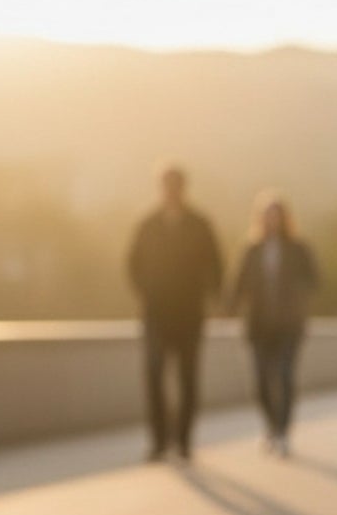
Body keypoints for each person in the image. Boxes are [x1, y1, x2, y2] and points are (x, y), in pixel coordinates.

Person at [127, 164, 224, 460]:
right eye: (166, 186)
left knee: (188, 377)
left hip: (189, 314)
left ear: (183, 188)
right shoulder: (148, 224)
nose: (170, 191)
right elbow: (132, 264)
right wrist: (146, 291)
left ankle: (183, 440)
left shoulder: (199, 224)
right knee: (154, 375)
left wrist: (214, 298)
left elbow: (216, 265)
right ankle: (159, 440)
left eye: (175, 186)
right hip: (156, 313)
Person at [229, 191, 319, 456]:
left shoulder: (298, 249)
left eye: (276, 216)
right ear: (260, 219)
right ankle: (270, 425)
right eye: (267, 216)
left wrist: (296, 296)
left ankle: (282, 431)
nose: (272, 221)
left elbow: (314, 280)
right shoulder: (251, 250)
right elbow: (237, 284)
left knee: (285, 375)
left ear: (284, 218)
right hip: (259, 326)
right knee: (259, 380)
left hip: (289, 325)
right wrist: (227, 309)